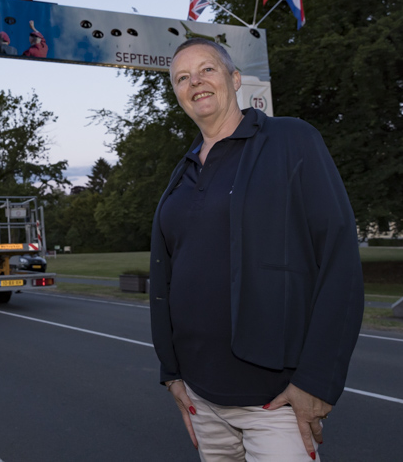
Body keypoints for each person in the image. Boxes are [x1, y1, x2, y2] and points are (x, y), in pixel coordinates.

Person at [149, 39, 363, 462]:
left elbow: (339, 261)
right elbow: (170, 273)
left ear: (234, 78)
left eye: (207, 70)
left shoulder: (290, 140)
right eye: (182, 78)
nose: (196, 82)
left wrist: (317, 380)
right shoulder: (184, 170)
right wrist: (171, 373)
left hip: (274, 400)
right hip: (201, 396)